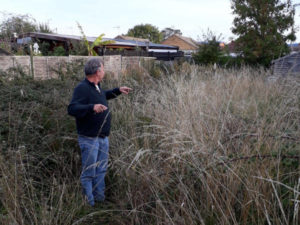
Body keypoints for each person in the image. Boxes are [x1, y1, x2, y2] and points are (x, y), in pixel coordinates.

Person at [68, 58, 132, 206]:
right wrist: (91, 107)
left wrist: (117, 91)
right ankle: (89, 205)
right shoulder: (82, 88)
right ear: (98, 71)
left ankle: (99, 200)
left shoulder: (96, 86)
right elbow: (72, 109)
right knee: (89, 173)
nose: (104, 71)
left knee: (101, 171)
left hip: (103, 138)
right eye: (103, 69)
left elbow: (103, 96)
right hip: (89, 139)